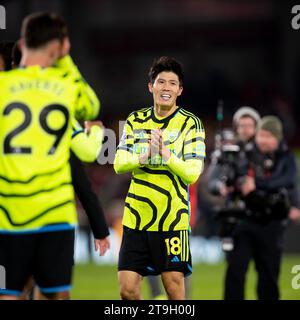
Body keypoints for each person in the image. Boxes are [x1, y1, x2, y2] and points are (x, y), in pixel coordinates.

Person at [0, 12, 99, 300]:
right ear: (59, 49)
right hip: (54, 211)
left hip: (9, 212)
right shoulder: (64, 88)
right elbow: (91, 107)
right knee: (56, 295)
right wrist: (66, 61)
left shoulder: (3, 87)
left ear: (22, 43)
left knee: (8, 295)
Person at [114, 56, 206, 300]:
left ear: (180, 90)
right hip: (136, 218)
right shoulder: (135, 120)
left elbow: (193, 173)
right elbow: (119, 164)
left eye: (172, 83)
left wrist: (166, 154)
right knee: (127, 290)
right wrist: (145, 156)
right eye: (161, 82)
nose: (166, 87)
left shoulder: (191, 124)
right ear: (150, 86)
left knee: (174, 288)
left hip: (172, 220)